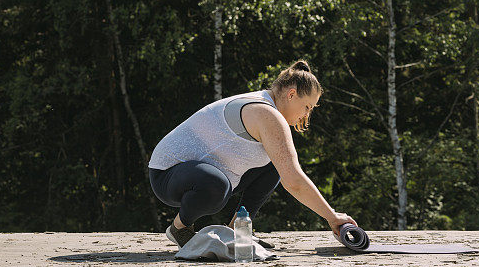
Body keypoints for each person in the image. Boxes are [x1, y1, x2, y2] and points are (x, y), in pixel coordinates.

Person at [148, 60, 358, 248]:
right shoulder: (266, 113)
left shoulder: (268, 108)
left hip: (203, 173)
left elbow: (287, 171)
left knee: (275, 164)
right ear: (291, 94)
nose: (307, 115)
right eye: (307, 107)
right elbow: (293, 180)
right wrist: (333, 217)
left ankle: (237, 231)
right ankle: (179, 228)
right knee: (217, 185)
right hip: (167, 173)